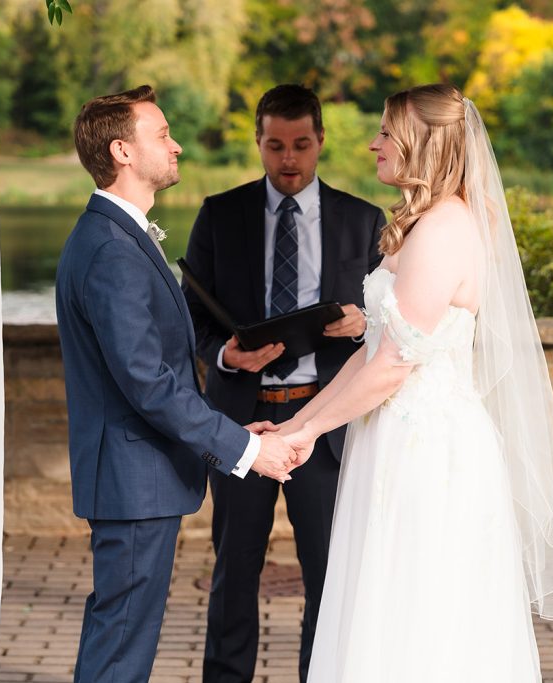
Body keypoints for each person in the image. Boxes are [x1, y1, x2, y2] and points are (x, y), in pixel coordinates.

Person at [280, 84, 553, 681]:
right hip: (394, 437)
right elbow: (373, 351)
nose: (374, 144)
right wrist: (299, 424)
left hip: (429, 453)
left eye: (386, 133)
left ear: (423, 142)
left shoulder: (446, 228)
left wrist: (310, 432)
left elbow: (394, 365)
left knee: (420, 611)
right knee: (384, 601)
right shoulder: (426, 224)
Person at [55, 85, 296, 683]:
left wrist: (232, 427)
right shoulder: (111, 248)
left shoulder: (119, 236)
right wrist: (246, 450)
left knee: (121, 635)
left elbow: (153, 369)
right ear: (123, 152)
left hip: (135, 478)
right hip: (132, 482)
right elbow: (146, 383)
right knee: (121, 646)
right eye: (161, 135)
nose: (177, 145)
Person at [181, 84, 385, 683]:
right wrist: (222, 357)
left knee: (328, 572)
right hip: (241, 424)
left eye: (300, 145)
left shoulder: (362, 220)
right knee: (233, 569)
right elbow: (191, 316)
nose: (288, 159)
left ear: (320, 141)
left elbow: (391, 323)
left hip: (323, 428)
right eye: (274, 146)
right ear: (258, 143)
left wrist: (363, 324)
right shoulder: (221, 214)